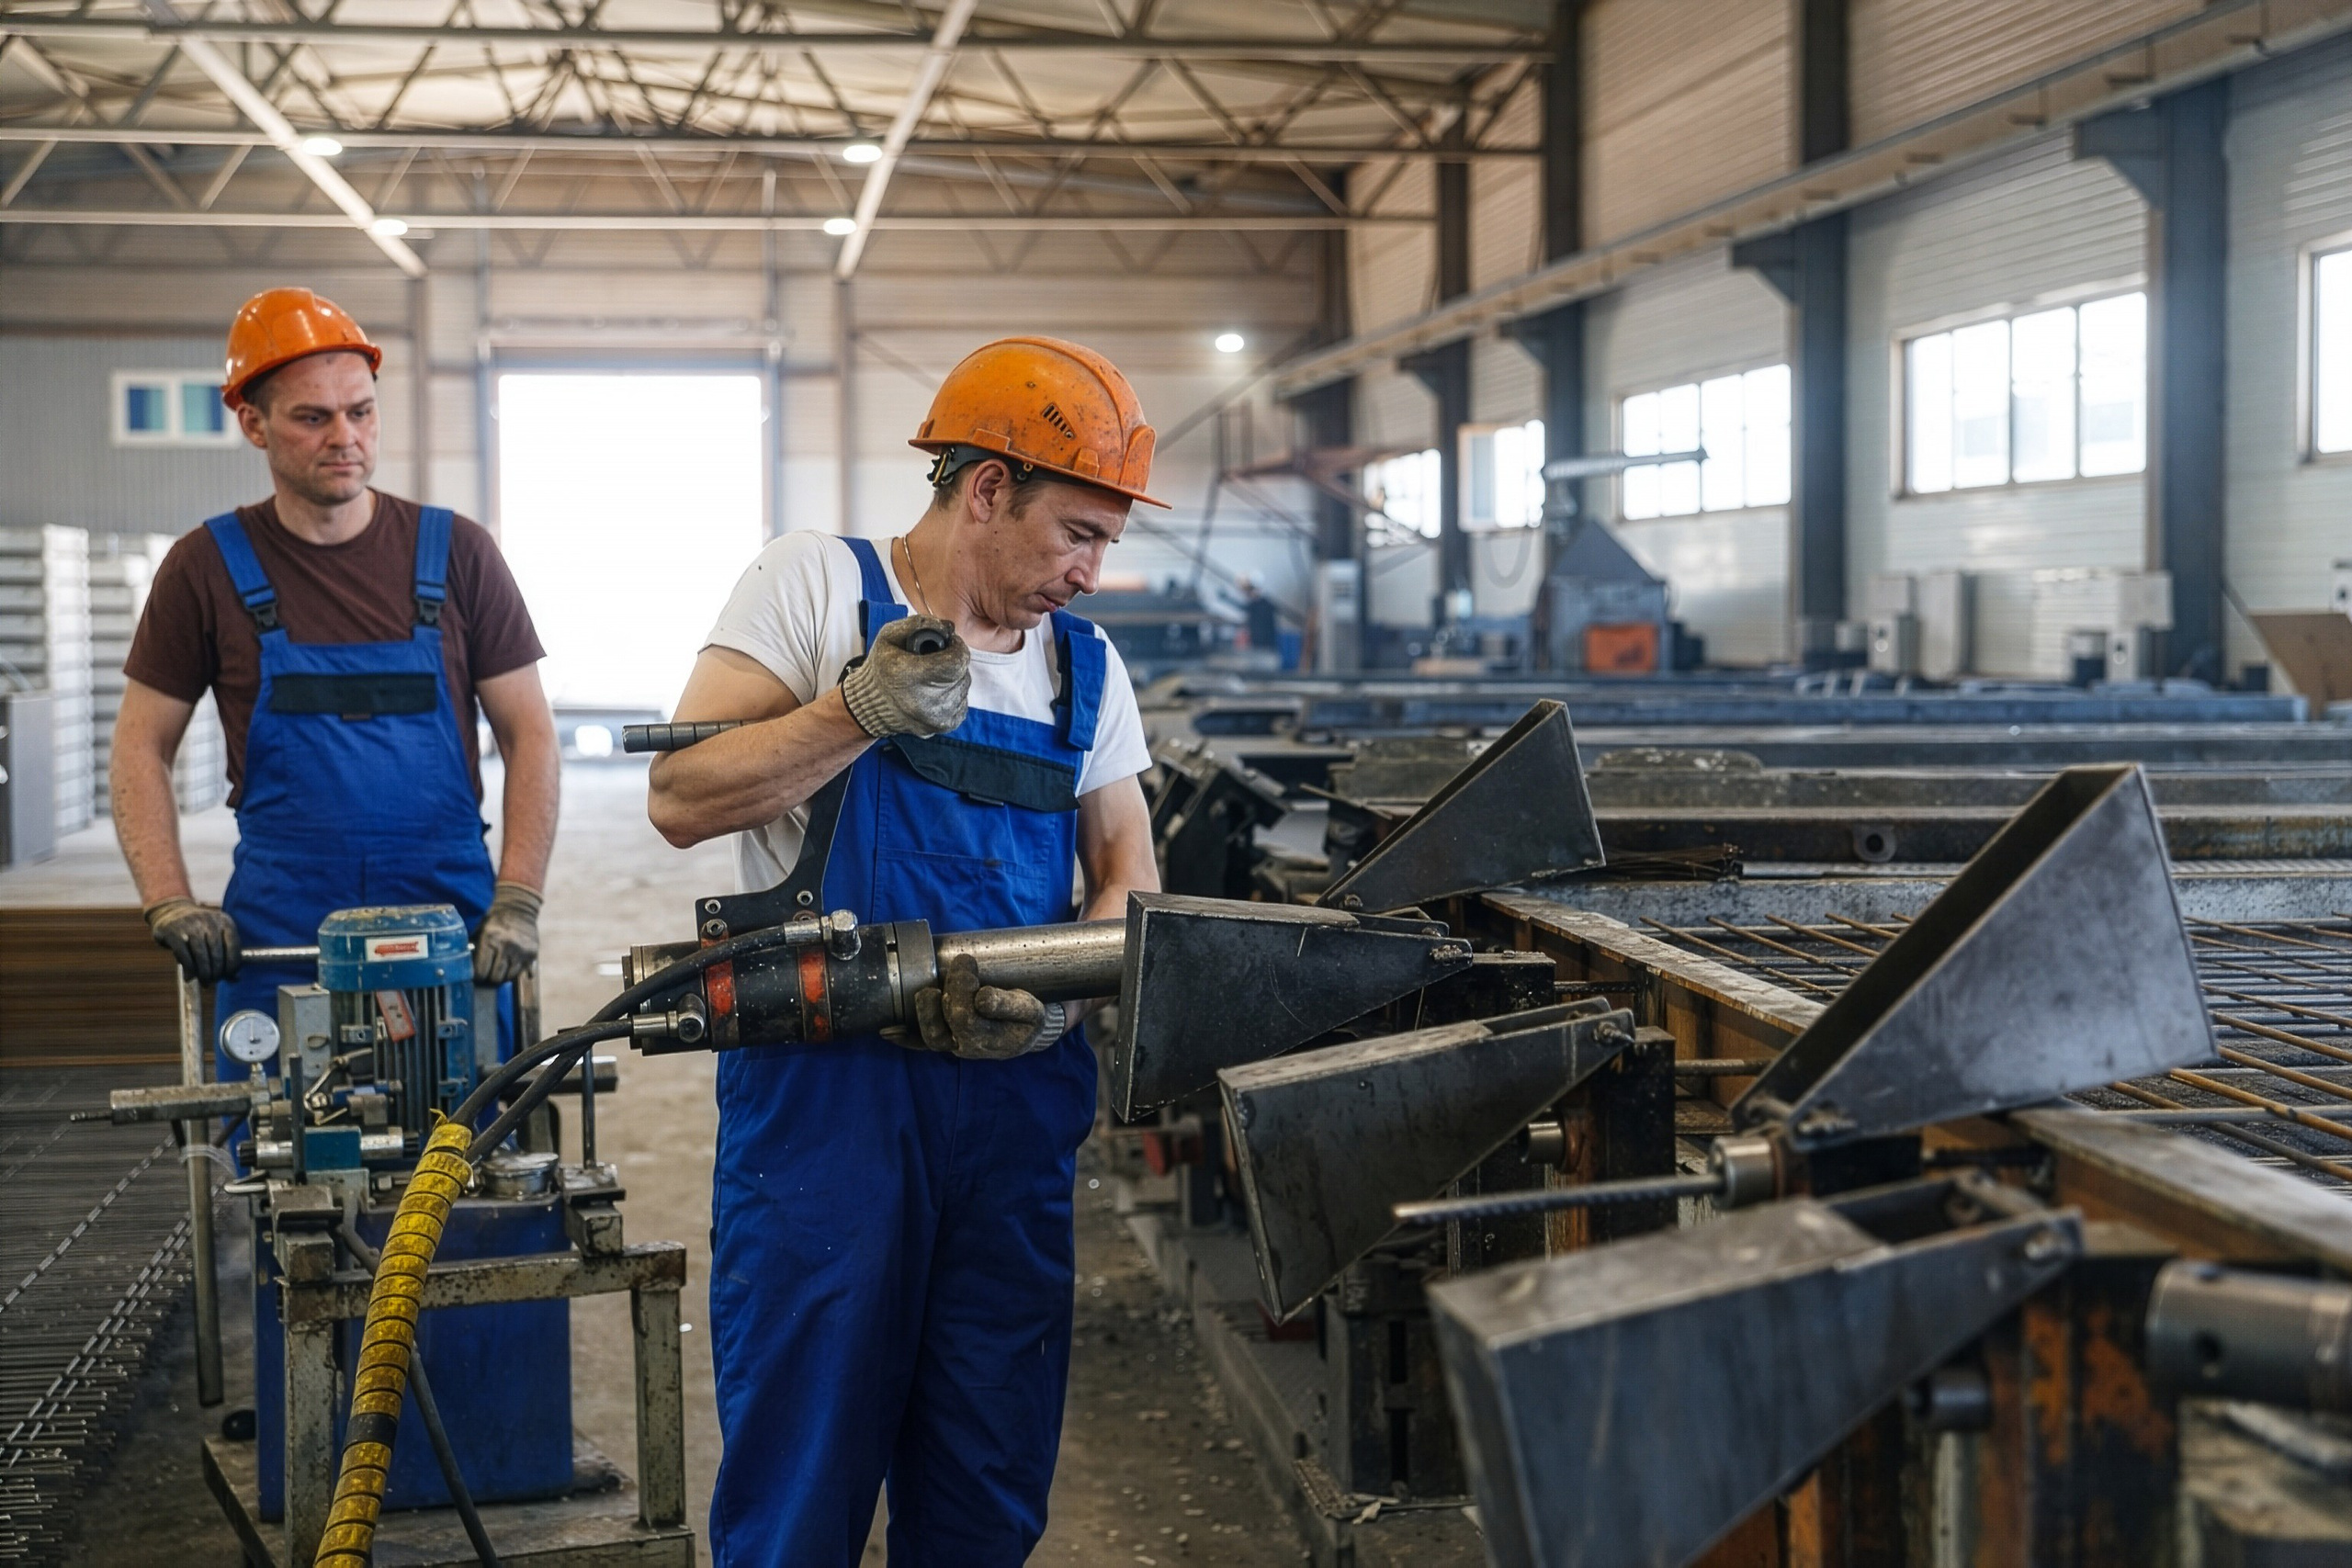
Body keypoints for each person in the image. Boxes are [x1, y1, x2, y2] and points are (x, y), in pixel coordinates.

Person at [647, 335, 1164, 1566]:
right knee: (804, 1470)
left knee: (987, 1469)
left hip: (1015, 1114)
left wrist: (1053, 991)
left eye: (1107, 539)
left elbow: (1129, 870)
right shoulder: (816, 586)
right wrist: (854, 710)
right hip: (831, 1109)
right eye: (1076, 533)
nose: (1092, 571)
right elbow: (680, 791)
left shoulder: (1085, 669)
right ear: (985, 487)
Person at [113, 287, 560, 1078]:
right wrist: (170, 898)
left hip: (447, 916)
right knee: (274, 1156)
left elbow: (530, 735)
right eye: (312, 417)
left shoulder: (458, 554)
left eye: (360, 411)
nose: (345, 437)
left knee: (471, 1146)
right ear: (252, 422)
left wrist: (519, 896)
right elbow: (140, 744)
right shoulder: (206, 566)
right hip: (282, 925)